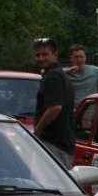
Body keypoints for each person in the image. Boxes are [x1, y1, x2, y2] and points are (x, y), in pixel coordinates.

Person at [32, 36, 75, 168]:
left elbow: (55, 107)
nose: (40, 58)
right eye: (38, 55)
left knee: (49, 184)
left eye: (45, 54)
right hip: (64, 143)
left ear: (55, 54)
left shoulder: (53, 76)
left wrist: (38, 129)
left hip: (53, 143)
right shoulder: (61, 75)